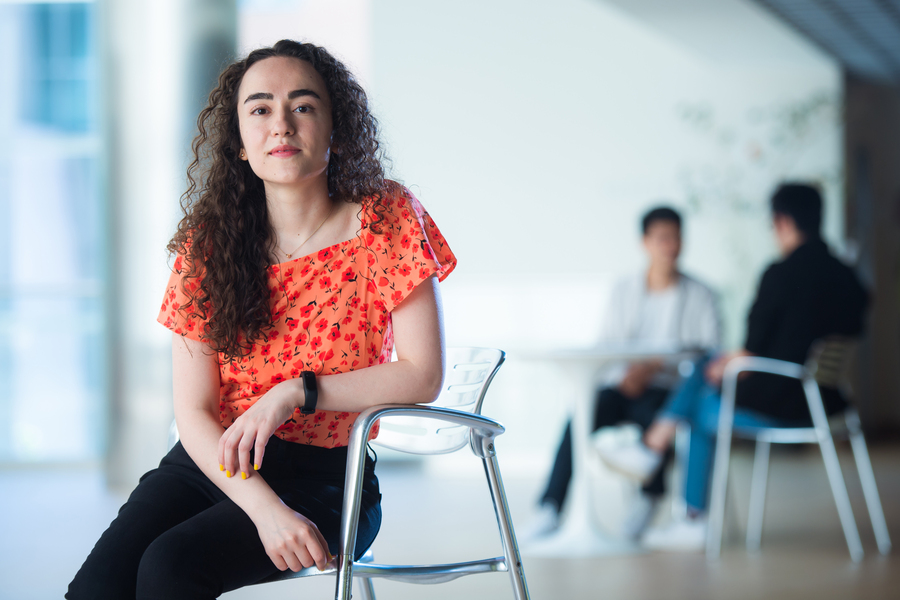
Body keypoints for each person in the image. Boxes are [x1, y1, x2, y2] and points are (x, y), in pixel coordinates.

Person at [67, 40, 456, 598]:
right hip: (214, 464)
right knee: (97, 589)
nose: (282, 125)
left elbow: (422, 375)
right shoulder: (208, 245)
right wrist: (264, 510)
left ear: (336, 129)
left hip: (328, 476)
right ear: (241, 144)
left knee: (171, 568)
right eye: (260, 109)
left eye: (303, 106)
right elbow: (194, 411)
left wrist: (292, 394)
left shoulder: (383, 217)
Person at [599, 183, 869, 551]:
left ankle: (685, 505)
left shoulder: (781, 274)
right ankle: (658, 455)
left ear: (783, 220)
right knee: (706, 371)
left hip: (782, 400)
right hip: (825, 397)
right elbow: (827, 336)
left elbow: (755, 350)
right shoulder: (847, 276)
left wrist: (732, 361)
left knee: (701, 402)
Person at [525, 207, 721, 540]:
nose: (670, 246)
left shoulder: (701, 295)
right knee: (580, 418)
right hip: (622, 385)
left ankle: (647, 501)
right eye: (662, 238)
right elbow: (606, 345)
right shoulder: (623, 290)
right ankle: (550, 508)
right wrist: (627, 375)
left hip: (668, 390)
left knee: (658, 415)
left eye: (675, 238)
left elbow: (709, 354)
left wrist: (654, 367)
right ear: (645, 242)